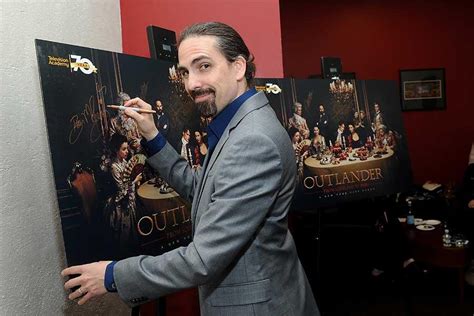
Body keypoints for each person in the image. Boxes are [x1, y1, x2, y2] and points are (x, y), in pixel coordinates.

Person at [62, 21, 319, 315]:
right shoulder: (241, 122)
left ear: (238, 67)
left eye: (204, 66)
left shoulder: (253, 139)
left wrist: (112, 276)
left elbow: (202, 259)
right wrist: (152, 136)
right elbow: (202, 190)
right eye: (185, 72)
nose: (191, 84)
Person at [104, 134, 142, 257]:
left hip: (130, 200)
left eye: (127, 148)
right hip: (120, 204)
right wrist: (135, 181)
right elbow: (122, 189)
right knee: (124, 238)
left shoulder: (125, 162)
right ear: (116, 150)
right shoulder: (114, 167)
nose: (127, 151)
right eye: (124, 149)